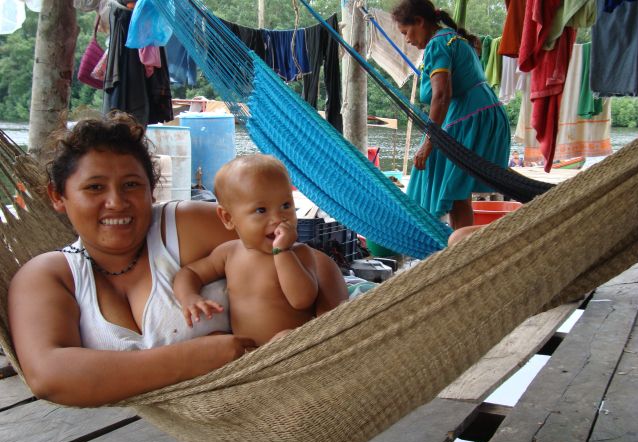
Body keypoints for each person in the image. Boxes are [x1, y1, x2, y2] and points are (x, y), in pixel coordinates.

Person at [7, 112, 347, 408]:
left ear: (151, 191)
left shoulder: (182, 226)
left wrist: (331, 336)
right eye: (95, 188)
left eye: (131, 185)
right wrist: (196, 359)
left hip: (266, 405)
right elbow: (48, 375)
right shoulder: (50, 275)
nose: (116, 202)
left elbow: (312, 261)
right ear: (57, 196)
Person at [174, 154, 349, 347]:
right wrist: (189, 297)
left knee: (284, 336)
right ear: (227, 218)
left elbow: (301, 300)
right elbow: (190, 272)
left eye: (286, 205)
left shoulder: (300, 254)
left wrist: (283, 252)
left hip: (292, 351)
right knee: (213, 341)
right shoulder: (228, 254)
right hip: (251, 357)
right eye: (261, 210)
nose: (278, 219)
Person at [392, 0, 510, 230]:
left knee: (451, 188)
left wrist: (429, 141)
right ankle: (459, 247)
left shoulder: (437, 44)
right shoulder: (452, 37)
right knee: (457, 193)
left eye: (406, 32)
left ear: (420, 21)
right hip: (484, 115)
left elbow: (441, 95)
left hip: (470, 119)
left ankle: (458, 250)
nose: (407, 40)